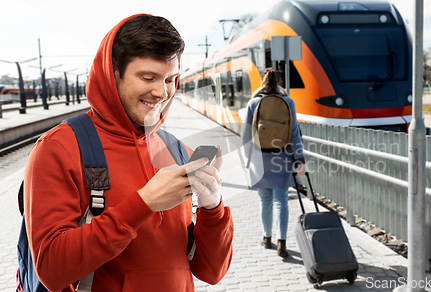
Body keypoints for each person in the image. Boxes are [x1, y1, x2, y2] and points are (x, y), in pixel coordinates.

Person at [23, 14, 233, 292]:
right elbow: (51, 269)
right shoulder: (59, 148)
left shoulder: (178, 150)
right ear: (113, 73)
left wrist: (213, 207)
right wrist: (143, 204)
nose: (162, 92)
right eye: (148, 77)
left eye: (171, 79)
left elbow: (211, 271)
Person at [241, 68, 306, 257]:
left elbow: (246, 135)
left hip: (260, 159)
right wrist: (299, 159)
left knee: (265, 201)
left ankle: (266, 238)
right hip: (283, 158)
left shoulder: (254, 103)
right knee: (281, 201)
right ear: (279, 83)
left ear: (263, 81)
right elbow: (294, 133)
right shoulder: (288, 102)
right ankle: (282, 243)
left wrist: (248, 158)